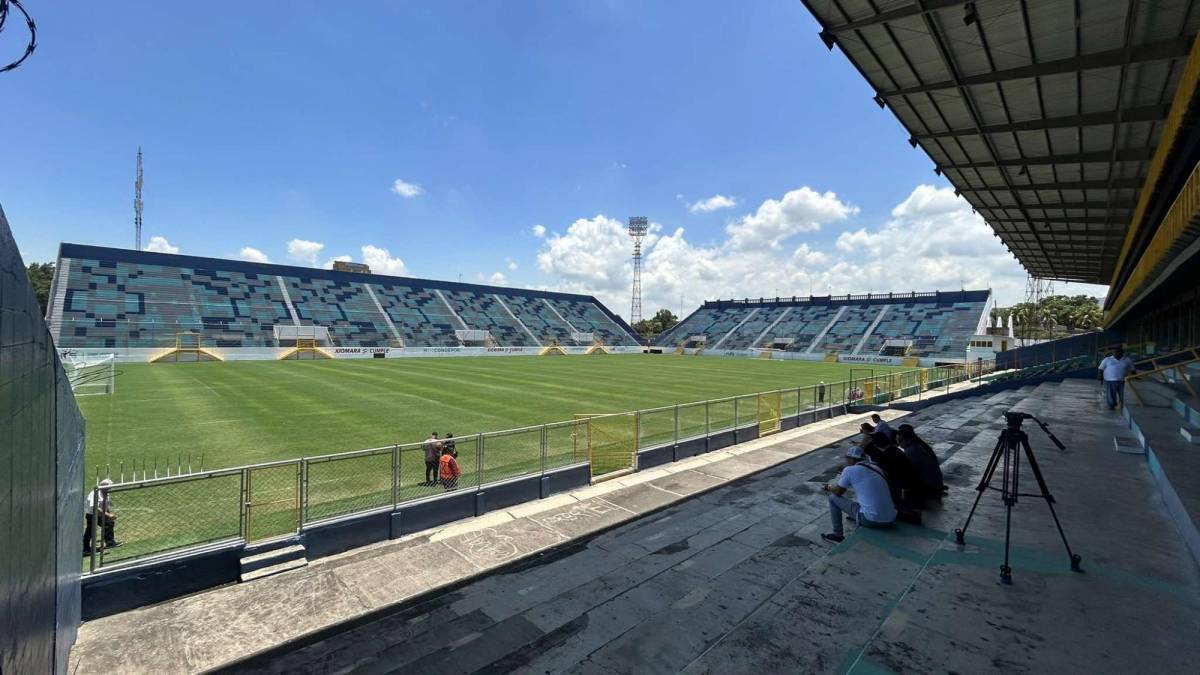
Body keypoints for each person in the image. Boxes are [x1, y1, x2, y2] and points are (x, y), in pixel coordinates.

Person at [822, 445, 896, 543]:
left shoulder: (850, 470)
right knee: (863, 495)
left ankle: (837, 535)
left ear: (852, 459)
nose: (847, 461)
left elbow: (838, 492)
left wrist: (829, 487)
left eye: (847, 458)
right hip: (891, 518)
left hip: (872, 520)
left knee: (832, 498)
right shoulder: (876, 468)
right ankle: (857, 516)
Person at [862, 432, 922, 510]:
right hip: (910, 486)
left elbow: (865, 449)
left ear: (876, 445)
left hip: (903, 490)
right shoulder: (894, 450)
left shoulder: (886, 457)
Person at [896, 424, 946, 499]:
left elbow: (910, 472)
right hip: (935, 482)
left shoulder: (911, 450)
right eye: (897, 441)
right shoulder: (916, 444)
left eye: (900, 441)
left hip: (931, 486)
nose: (898, 443)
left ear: (909, 439)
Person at [83, 479, 119, 553]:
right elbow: (95, 507)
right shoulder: (94, 493)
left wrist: (109, 513)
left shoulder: (106, 493)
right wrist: (108, 515)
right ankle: (86, 548)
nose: (110, 489)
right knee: (90, 531)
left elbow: (105, 505)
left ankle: (110, 542)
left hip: (101, 514)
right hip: (92, 515)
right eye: (109, 487)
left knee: (109, 524)